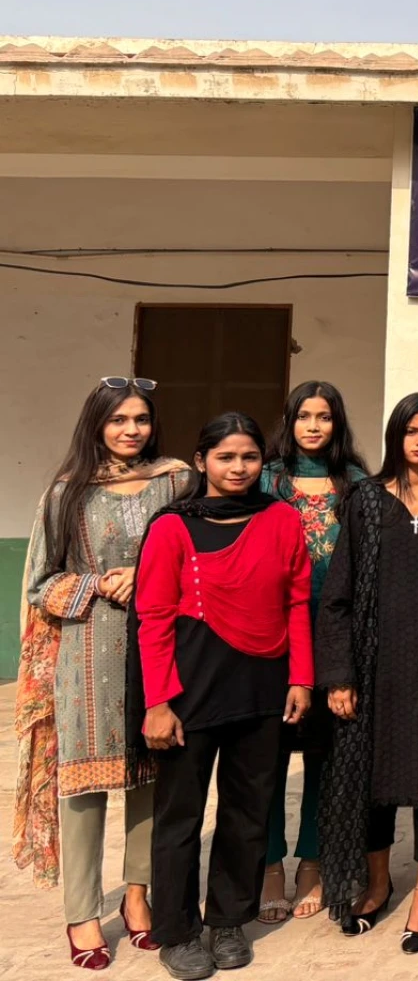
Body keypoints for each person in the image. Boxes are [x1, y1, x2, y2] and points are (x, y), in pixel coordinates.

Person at [16, 378, 188, 970]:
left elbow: (195, 554)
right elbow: (41, 583)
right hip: (86, 655)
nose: (131, 430)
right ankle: (83, 913)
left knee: (150, 775)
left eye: (140, 419)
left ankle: (137, 898)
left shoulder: (176, 480)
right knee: (84, 787)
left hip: (158, 647)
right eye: (118, 420)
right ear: (96, 426)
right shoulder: (66, 493)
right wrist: (96, 583)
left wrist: (146, 575)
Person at [135, 412, 313, 980]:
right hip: (189, 694)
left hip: (262, 688)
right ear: (201, 461)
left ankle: (228, 921)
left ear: (265, 461)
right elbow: (154, 617)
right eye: (226, 457)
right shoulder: (172, 526)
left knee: (247, 812)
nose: (239, 468)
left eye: (250, 457)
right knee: (180, 816)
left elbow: (298, 602)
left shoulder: (283, 519)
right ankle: (178, 930)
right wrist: (158, 702)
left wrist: (301, 678)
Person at [317, 393, 418, 954]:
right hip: (373, 661)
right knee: (373, 777)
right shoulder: (365, 501)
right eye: (411, 430)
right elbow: (337, 597)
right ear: (396, 436)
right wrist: (339, 674)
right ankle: (380, 879)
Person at [258, 381, 368, 925]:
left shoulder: (356, 483)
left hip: (335, 635)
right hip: (272, 634)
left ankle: (313, 861)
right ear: (290, 420)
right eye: (304, 416)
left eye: (325, 416)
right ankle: (270, 864)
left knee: (326, 754)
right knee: (270, 754)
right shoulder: (266, 480)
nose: (314, 426)